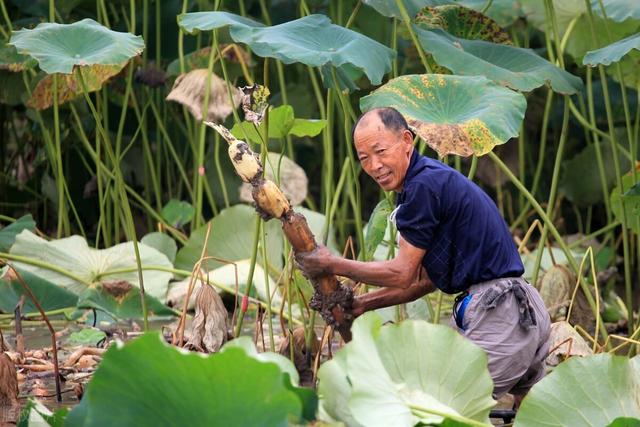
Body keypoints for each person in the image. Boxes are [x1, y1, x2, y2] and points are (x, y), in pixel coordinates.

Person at [295, 107, 551, 401]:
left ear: (406, 141)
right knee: (529, 415)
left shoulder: (422, 187)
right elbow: (423, 281)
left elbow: (401, 273)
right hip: (524, 310)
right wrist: (363, 303)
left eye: (380, 151)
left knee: (449, 407)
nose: (374, 165)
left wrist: (331, 263)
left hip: (499, 314)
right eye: (364, 158)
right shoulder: (430, 181)